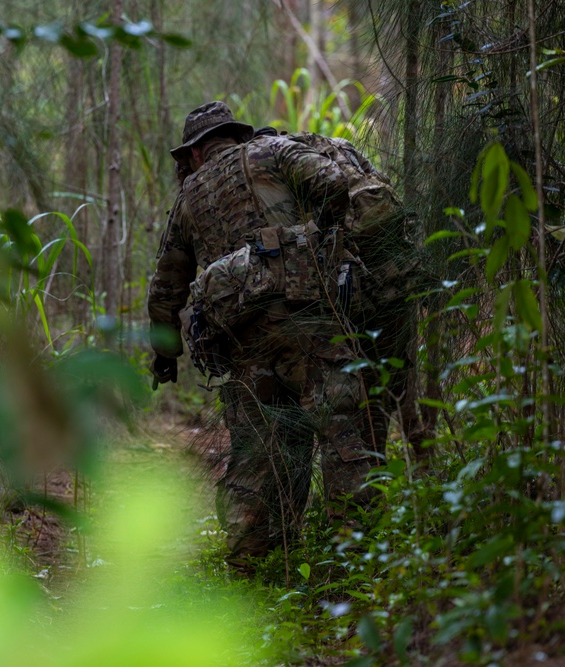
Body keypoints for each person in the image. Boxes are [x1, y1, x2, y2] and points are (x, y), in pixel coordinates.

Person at [147, 101, 388, 569]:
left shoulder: (189, 197)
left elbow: (166, 286)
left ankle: (254, 556)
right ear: (236, 135)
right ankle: (353, 557)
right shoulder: (275, 150)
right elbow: (339, 187)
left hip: (241, 340)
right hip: (310, 319)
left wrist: (165, 353)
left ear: (195, 153)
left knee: (258, 448)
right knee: (340, 430)